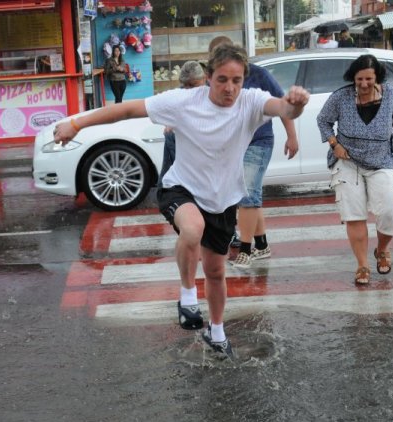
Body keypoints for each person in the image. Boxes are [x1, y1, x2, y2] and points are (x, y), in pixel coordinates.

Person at [54, 43, 310, 358]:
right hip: (180, 189)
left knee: (216, 271)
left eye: (236, 80)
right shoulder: (183, 102)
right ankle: (187, 297)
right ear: (208, 76)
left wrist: (295, 104)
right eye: (221, 80)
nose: (229, 88)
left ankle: (217, 333)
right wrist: (76, 124)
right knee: (192, 229)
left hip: (223, 199)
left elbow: (284, 110)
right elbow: (125, 110)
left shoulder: (252, 101)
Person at [316, 54, 393, 285]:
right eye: (359, 79)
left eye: (368, 79)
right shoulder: (340, 97)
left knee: (391, 211)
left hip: (382, 160)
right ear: (353, 77)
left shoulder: (391, 94)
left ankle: (381, 249)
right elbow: (323, 120)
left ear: (377, 78)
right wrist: (335, 145)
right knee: (354, 215)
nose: (363, 84)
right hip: (348, 161)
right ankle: (362, 265)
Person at [208, 36, 299, 270]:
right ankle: (262, 244)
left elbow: (282, 105)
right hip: (233, 144)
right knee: (248, 194)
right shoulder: (213, 78)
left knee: (248, 194)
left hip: (258, 141)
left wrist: (292, 136)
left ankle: (246, 250)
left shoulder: (258, 75)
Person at [158, 61, 207, 184]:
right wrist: (171, 122)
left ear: (204, 78)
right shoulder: (180, 92)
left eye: (193, 84)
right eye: (186, 85)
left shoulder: (214, 93)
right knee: (170, 136)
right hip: (182, 143)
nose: (189, 89)